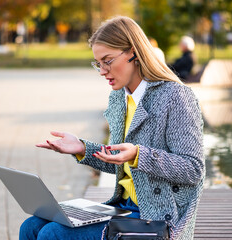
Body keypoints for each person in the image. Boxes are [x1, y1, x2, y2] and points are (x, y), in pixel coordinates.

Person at [20, 16, 205, 240]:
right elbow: (119, 159)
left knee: (53, 234)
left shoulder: (175, 96)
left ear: (133, 53)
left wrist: (139, 155)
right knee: (31, 226)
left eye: (107, 61)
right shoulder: (119, 97)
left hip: (159, 219)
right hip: (126, 208)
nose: (102, 71)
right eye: (98, 63)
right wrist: (81, 148)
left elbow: (194, 169)